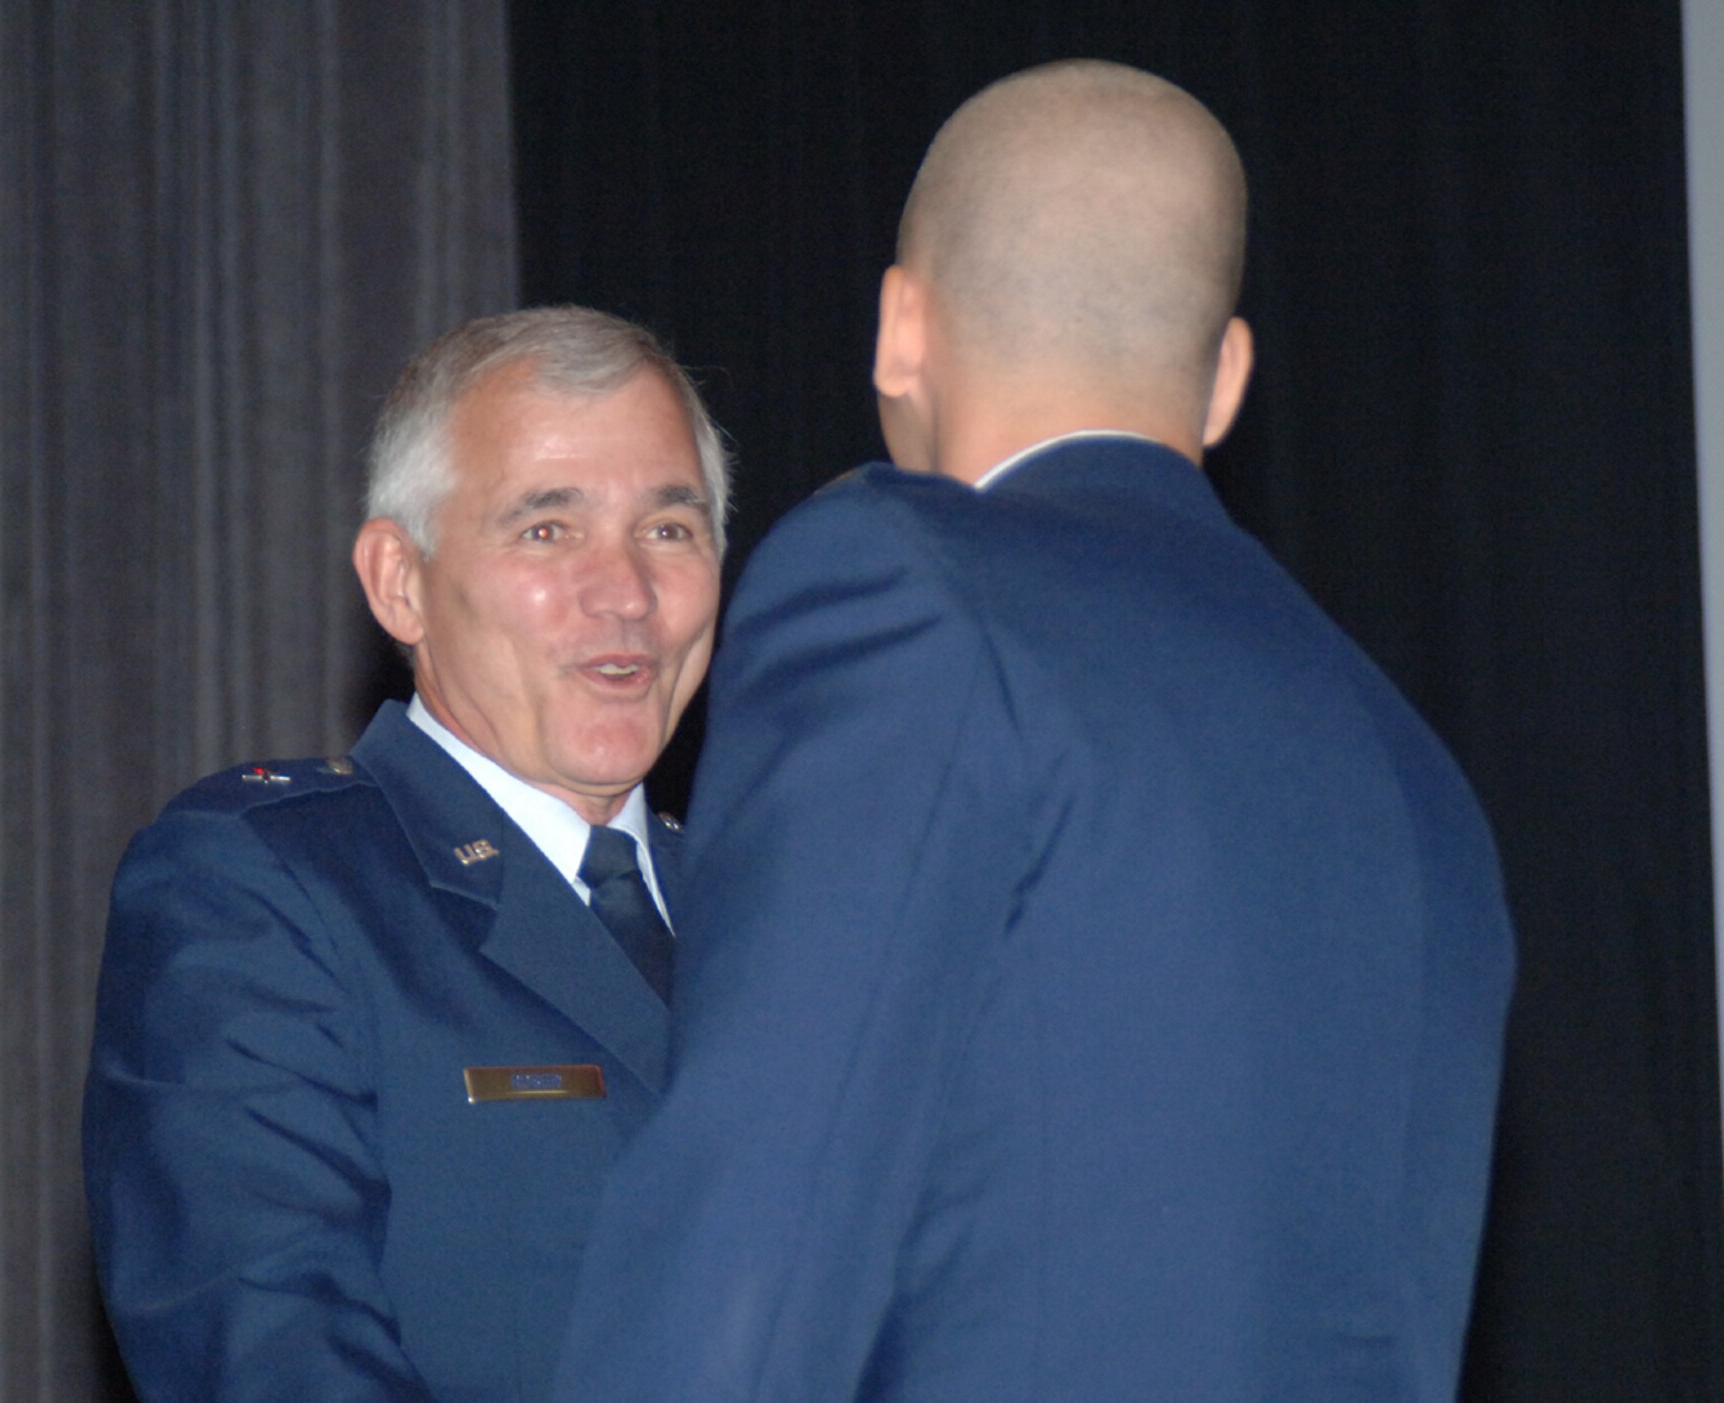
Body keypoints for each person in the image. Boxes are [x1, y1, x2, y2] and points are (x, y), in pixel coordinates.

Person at [553, 60, 1514, 1402]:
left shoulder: (904, 588)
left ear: (902, 326)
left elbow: (762, 1236)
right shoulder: (1410, 764)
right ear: (1227, 373)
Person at [83, 305, 729, 1402]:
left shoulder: (779, 905)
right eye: (546, 529)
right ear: (398, 582)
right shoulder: (268, 888)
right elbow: (267, 1350)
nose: (624, 593)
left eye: (668, 528)